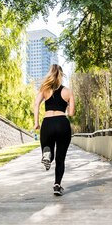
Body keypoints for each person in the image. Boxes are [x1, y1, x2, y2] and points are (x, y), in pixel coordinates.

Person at [33, 64, 75, 196]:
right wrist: (67, 106)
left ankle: (47, 155)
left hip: (48, 123)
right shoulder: (68, 91)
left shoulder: (44, 89)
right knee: (60, 159)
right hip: (62, 124)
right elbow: (72, 113)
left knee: (48, 151)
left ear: (50, 73)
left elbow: (36, 104)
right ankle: (57, 185)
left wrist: (36, 123)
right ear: (61, 75)